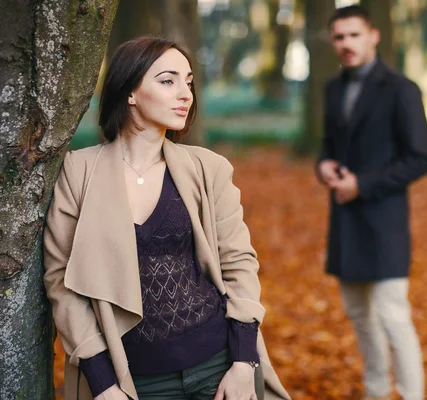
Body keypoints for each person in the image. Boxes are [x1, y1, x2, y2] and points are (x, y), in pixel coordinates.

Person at [43, 37, 290, 400]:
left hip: (217, 366)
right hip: (133, 380)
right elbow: (62, 284)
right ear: (130, 91)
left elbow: (239, 263)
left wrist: (242, 361)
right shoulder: (78, 172)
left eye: (188, 82)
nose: (186, 94)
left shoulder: (209, 169)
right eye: (168, 80)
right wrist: (103, 384)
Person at [316, 6, 427, 400]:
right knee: (359, 317)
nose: (346, 44)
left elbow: (420, 158)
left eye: (354, 35)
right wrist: (324, 167)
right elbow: (329, 146)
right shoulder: (332, 88)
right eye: (339, 37)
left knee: (393, 317)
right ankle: (376, 391)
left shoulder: (402, 89)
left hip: (384, 221)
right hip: (345, 221)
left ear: (373, 36)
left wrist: (362, 185)